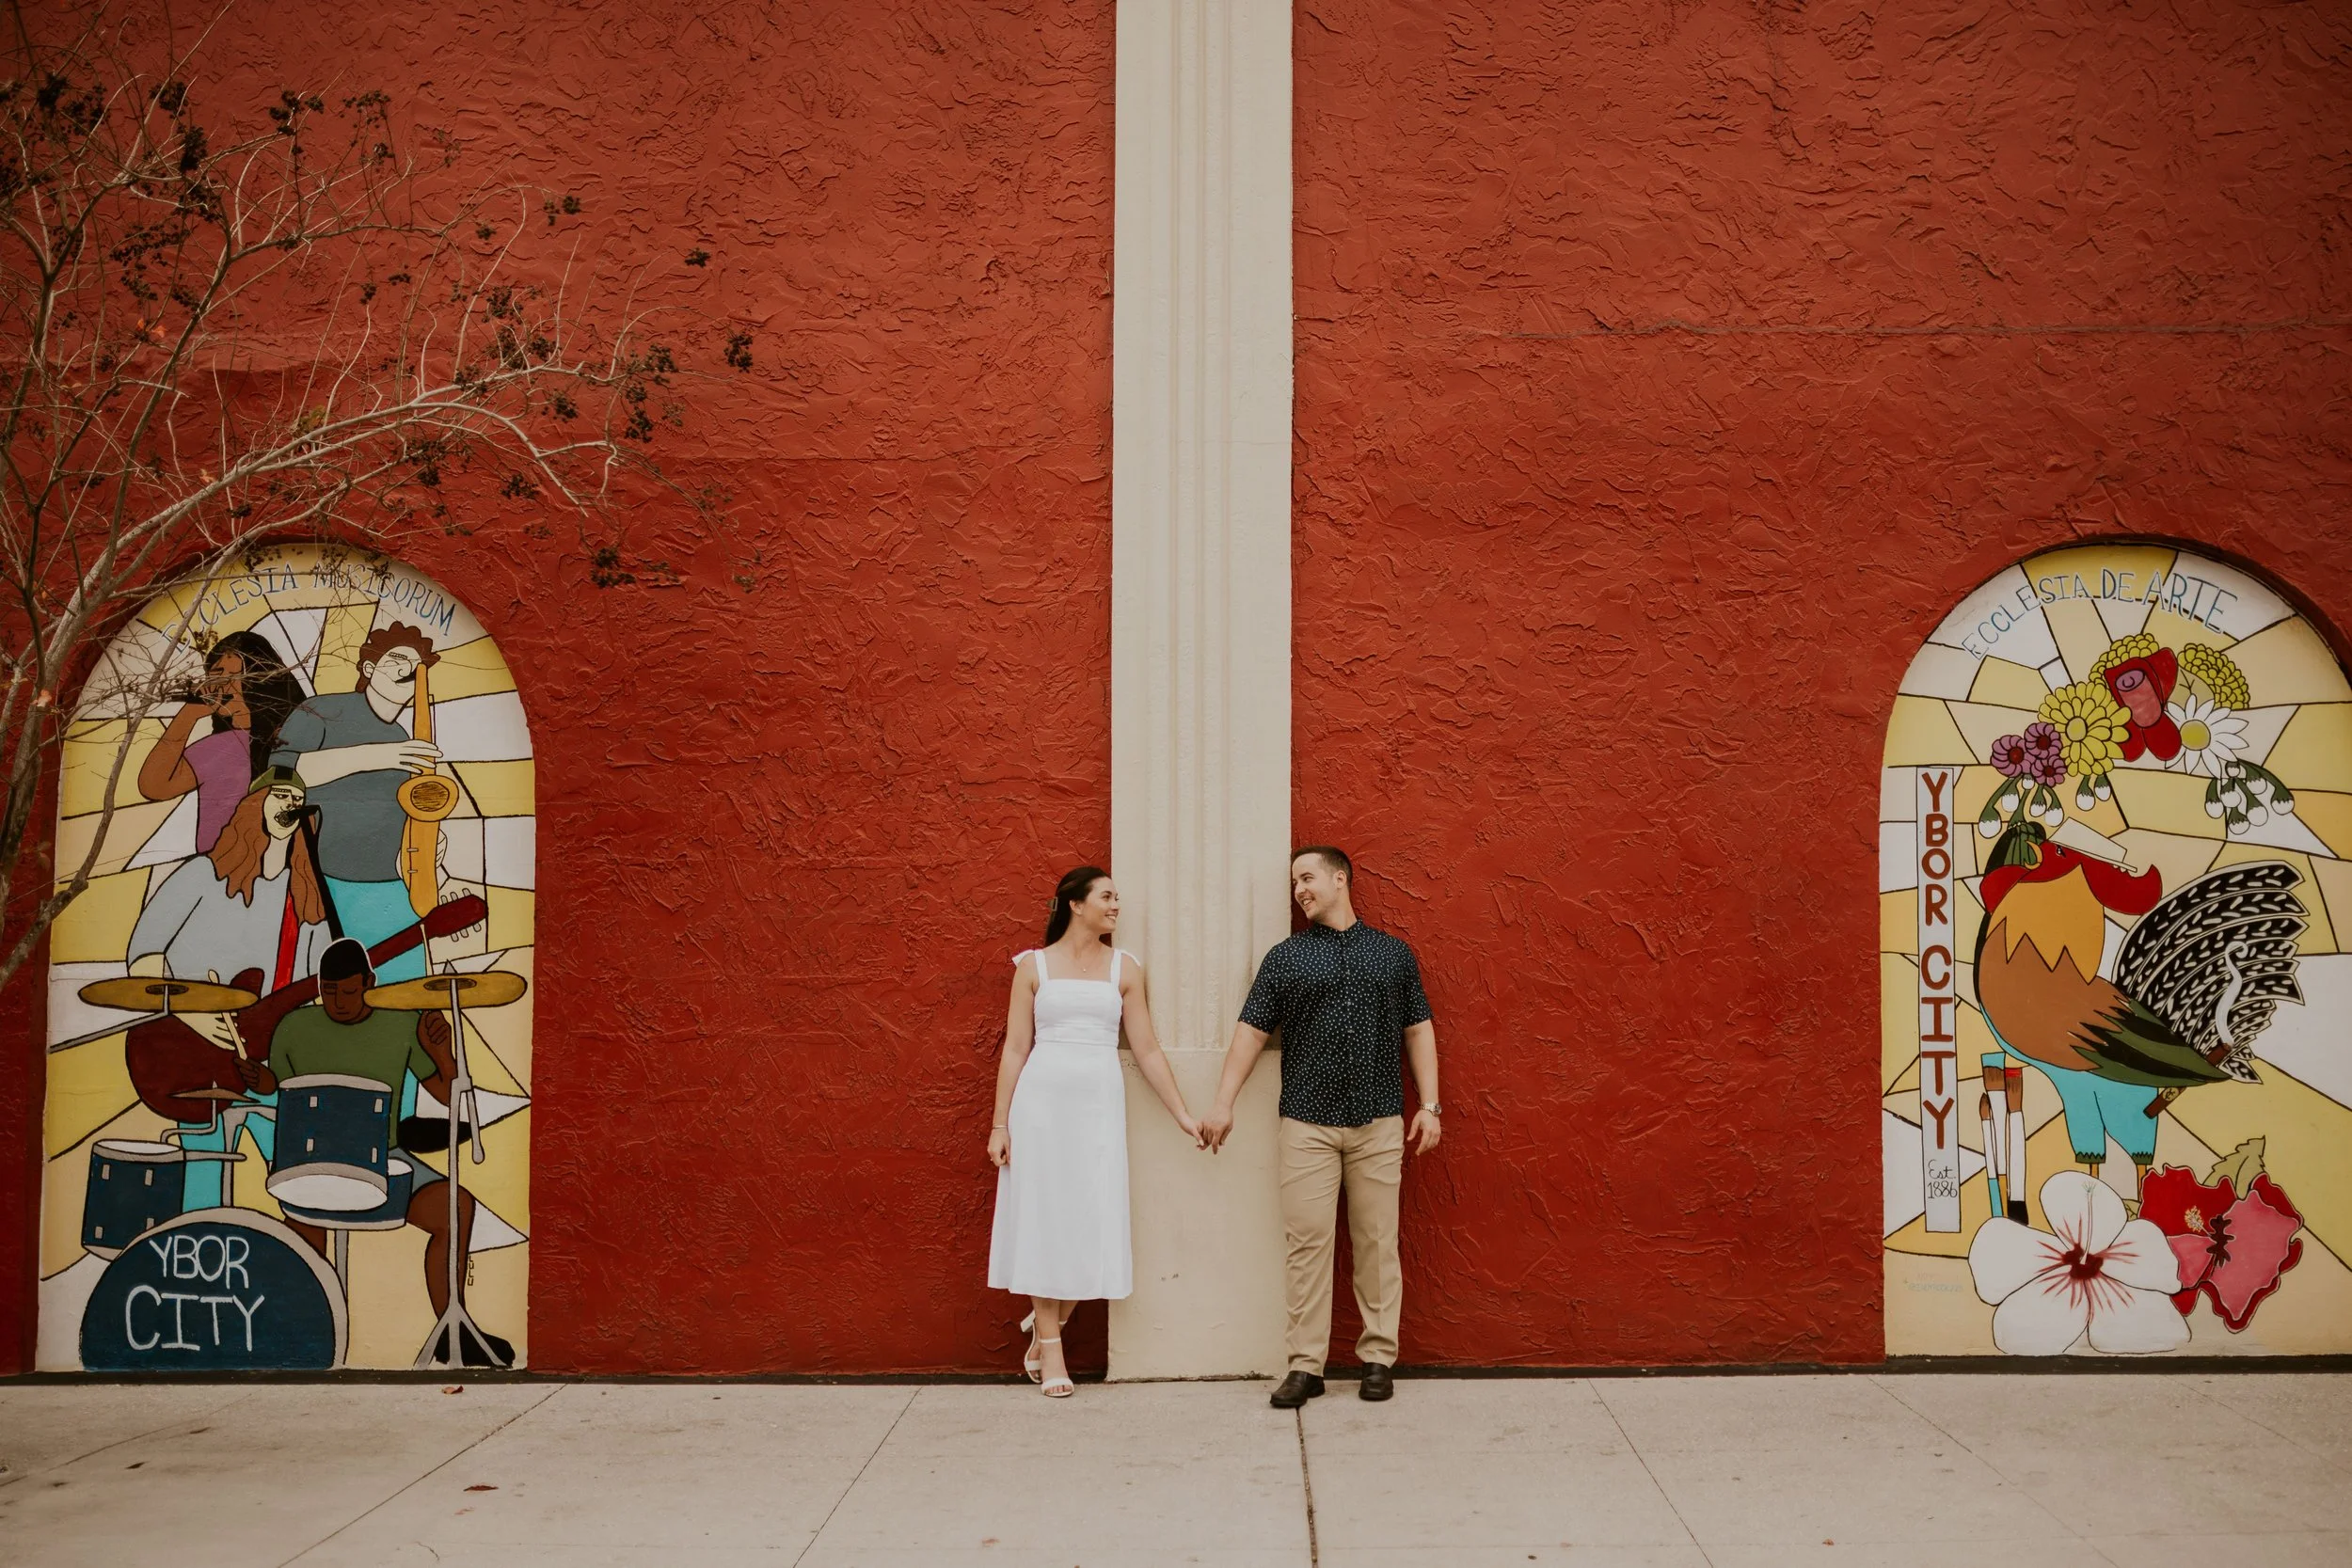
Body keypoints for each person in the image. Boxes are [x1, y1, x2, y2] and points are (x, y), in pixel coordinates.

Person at [1200, 847, 1442, 1407]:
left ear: (1340, 879)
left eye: (1307, 878)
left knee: (1377, 1242)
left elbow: (1419, 1030)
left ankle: (1378, 1359)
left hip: (1379, 1122)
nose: (1299, 890)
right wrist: (1223, 1103)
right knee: (1306, 1245)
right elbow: (1250, 1032)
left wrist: (1429, 1106)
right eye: (1293, 882)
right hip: (1306, 1123)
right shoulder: (1285, 959)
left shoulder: (1392, 955)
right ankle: (1306, 1367)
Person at [988, 866, 1201, 1398]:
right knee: (1043, 1217)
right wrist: (1000, 1123)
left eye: (1117, 898)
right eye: (1106, 897)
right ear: (1074, 905)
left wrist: (1181, 1113)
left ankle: (1045, 1326)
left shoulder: (1124, 969)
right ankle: (1053, 1347)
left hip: (1098, 1107)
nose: (1115, 906)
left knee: (1091, 1216)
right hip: (1040, 1106)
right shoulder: (1032, 967)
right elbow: (1016, 1048)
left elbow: (1146, 1049)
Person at [256, 937, 515, 1368]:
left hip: (386, 1159)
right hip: (314, 1163)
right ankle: (296, 1334)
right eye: (329, 991)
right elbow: (277, 1089)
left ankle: (455, 1329)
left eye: (350, 991)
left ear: (370, 983)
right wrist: (253, 1079)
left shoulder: (401, 1024)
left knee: (456, 1208)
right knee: (303, 1246)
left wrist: (442, 1054)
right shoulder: (294, 1028)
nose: (338, 1002)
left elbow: (451, 1098)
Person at [125, 768, 330, 1204]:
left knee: (299, 1180)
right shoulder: (202, 876)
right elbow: (144, 957)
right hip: (194, 1056)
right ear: (253, 807)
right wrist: (192, 1014)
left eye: (296, 798)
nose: (287, 805)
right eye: (277, 795)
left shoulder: (308, 902)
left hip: (267, 1064)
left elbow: (316, 992)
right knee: (203, 1182)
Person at [268, 624, 444, 979]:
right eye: (396, 659)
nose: (405, 670)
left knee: (405, 986)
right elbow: (283, 772)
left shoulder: (401, 738)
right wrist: (379, 756)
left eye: (414, 666)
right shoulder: (321, 710)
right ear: (368, 669)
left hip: (388, 885)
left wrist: (424, 843)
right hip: (322, 883)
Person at [138, 630, 308, 853]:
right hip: (218, 876)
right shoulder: (219, 748)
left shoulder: (297, 739)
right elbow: (155, 786)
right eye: (216, 676)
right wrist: (187, 716)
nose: (222, 687)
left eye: (235, 677)